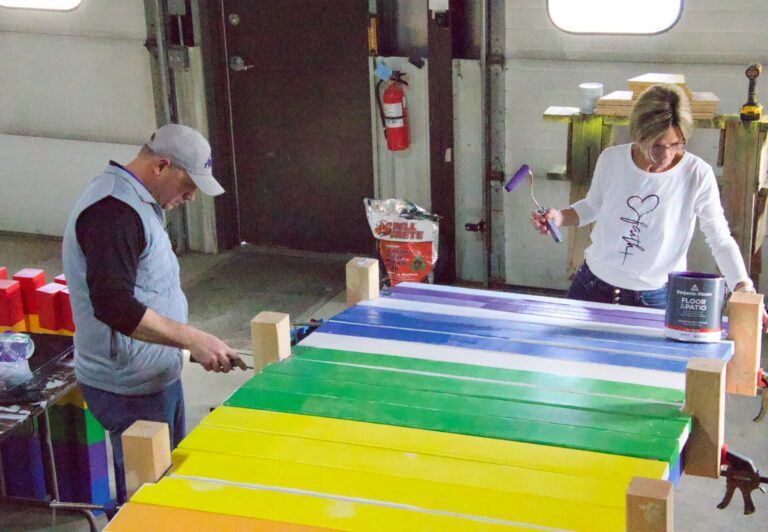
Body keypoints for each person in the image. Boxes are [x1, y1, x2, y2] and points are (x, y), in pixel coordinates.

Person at [62, 124, 245, 503]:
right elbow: (114, 305)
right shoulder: (112, 213)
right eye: (189, 184)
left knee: (166, 485)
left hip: (153, 373)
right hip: (127, 386)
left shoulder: (136, 202)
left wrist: (183, 346)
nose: (192, 196)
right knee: (146, 495)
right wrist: (191, 338)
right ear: (161, 166)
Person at [531, 84, 765, 318]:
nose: (665, 155)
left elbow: (720, 240)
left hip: (655, 298)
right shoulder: (612, 160)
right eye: (656, 145)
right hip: (591, 286)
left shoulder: (696, 174)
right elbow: (592, 206)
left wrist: (743, 286)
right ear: (639, 134)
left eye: (675, 144)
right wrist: (560, 217)